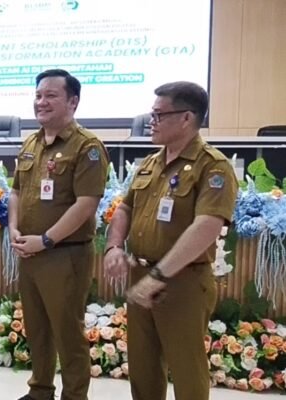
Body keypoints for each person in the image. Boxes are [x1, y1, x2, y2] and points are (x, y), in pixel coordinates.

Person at [103, 82, 237, 400]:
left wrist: (160, 274)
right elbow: (125, 208)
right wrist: (114, 246)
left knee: (186, 370)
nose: (151, 121)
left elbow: (207, 225)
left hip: (183, 281)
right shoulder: (151, 162)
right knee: (143, 368)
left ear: (187, 118)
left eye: (159, 115)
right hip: (141, 276)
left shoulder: (212, 166)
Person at [8, 69, 109, 400]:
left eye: (51, 95)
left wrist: (47, 239)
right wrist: (13, 229)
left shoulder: (87, 147)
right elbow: (16, 191)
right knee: (36, 328)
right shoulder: (32, 142)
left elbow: (86, 203)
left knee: (67, 332)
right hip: (30, 252)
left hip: (65, 254)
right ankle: (40, 390)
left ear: (73, 102)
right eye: (38, 95)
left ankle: (74, 396)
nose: (41, 102)